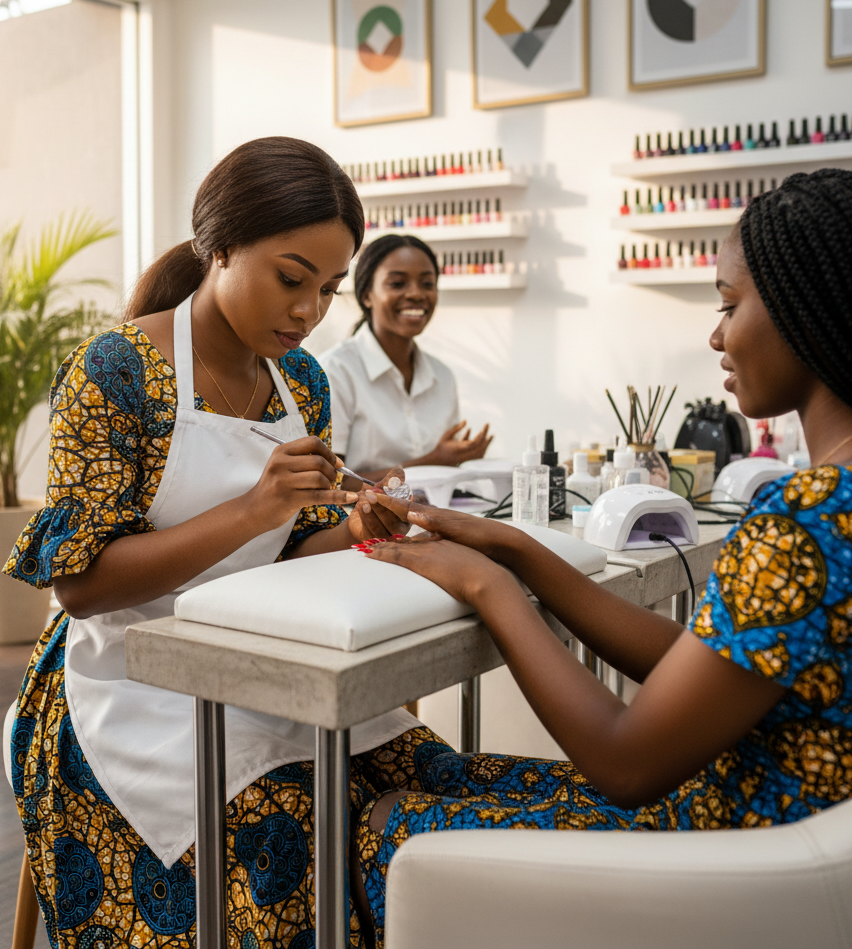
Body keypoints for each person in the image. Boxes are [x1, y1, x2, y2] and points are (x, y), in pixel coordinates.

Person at [354, 168, 852, 947]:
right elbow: (704, 661)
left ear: (806, 305)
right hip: (770, 815)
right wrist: (521, 551)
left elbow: (624, 764)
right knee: (423, 769)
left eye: (727, 305)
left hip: (721, 853)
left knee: (385, 821)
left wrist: (491, 588)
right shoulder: (834, 501)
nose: (716, 337)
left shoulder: (808, 519)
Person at [3, 137, 452, 948]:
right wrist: (253, 507)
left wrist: (352, 527)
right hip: (126, 682)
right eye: (290, 279)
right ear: (219, 248)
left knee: (427, 787)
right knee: (288, 824)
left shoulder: (302, 384)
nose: (308, 311)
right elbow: (82, 588)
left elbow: (288, 549)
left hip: (256, 660)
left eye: (325, 289)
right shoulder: (117, 371)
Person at [320, 234, 493, 482]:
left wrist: (460, 458)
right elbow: (331, 482)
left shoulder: (442, 376)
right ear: (367, 295)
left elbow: (444, 474)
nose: (416, 294)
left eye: (427, 284)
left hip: (431, 515)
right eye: (398, 284)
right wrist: (431, 462)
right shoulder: (335, 371)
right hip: (357, 519)